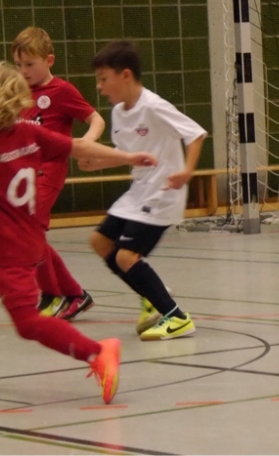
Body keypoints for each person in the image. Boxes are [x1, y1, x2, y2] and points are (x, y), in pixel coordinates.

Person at [0, 62, 155, 403]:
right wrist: (128, 157)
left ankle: (97, 351)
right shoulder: (28, 133)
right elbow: (78, 146)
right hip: (29, 242)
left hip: (8, 253)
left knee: (27, 323)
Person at [0, 27, 105, 321]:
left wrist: (86, 144)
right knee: (30, 234)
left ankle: (59, 294)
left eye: (29, 64)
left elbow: (96, 119)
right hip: (25, 174)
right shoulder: (19, 92)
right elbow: (0, 126)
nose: (23, 71)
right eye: (18, 64)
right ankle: (72, 294)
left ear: (49, 60)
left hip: (48, 172)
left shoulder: (61, 91)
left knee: (29, 234)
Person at [83, 40, 206, 340]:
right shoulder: (118, 113)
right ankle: (150, 296)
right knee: (100, 241)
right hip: (138, 192)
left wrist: (187, 171)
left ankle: (176, 317)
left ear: (125, 75)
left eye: (104, 79)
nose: (99, 87)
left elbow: (195, 134)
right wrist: (96, 163)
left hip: (163, 193)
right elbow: (126, 154)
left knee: (126, 256)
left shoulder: (153, 106)